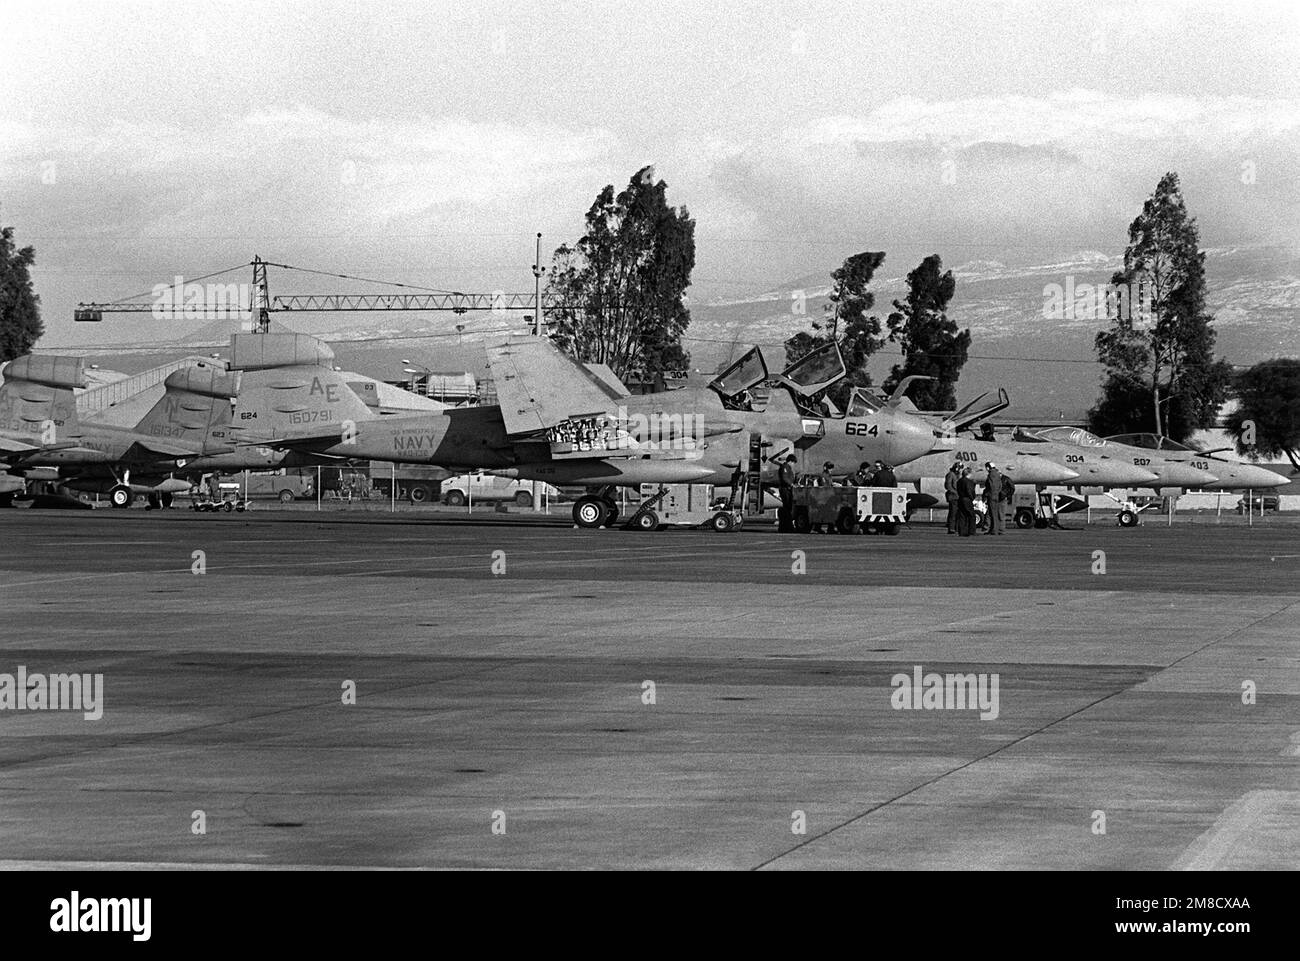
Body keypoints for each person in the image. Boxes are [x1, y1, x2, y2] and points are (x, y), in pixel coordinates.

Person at [777, 454, 797, 533]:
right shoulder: (785, 467)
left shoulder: (788, 468)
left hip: (787, 489)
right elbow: (785, 478)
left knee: (788, 507)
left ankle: (785, 526)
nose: (793, 465)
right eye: (793, 463)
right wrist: (791, 484)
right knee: (787, 507)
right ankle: (787, 526)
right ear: (790, 461)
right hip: (785, 489)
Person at [984, 462, 1005, 535]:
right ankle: (992, 529)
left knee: (992, 514)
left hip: (992, 496)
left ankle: (994, 530)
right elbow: (1000, 486)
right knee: (994, 513)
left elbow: (991, 486)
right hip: (996, 496)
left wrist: (988, 493)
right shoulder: (997, 474)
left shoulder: (991, 474)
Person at [956, 466, 977, 537]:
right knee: (972, 516)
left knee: (962, 516)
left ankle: (961, 532)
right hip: (967, 499)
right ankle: (971, 531)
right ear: (969, 474)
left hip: (960, 498)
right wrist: (972, 498)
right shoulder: (968, 482)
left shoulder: (959, 481)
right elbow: (969, 491)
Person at [944, 461, 961, 535]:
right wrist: (954, 492)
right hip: (953, 496)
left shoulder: (956, 475)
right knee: (953, 513)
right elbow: (948, 486)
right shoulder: (951, 474)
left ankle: (956, 528)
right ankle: (951, 528)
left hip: (957, 496)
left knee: (956, 513)